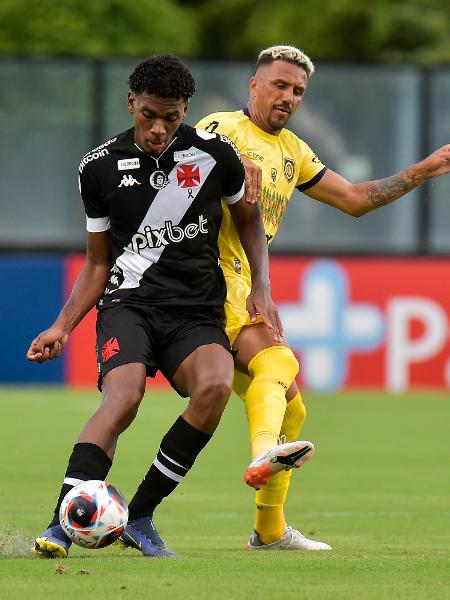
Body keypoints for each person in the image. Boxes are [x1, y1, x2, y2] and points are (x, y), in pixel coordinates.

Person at [26, 54, 284, 558]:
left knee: (213, 386)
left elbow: (250, 221)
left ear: (186, 109)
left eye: (172, 116)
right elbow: (98, 263)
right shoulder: (98, 168)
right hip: (130, 305)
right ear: (131, 104)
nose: (160, 128)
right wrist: (62, 326)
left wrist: (262, 286)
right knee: (122, 398)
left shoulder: (215, 154)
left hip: (194, 310)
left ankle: (139, 516)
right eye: (149, 115)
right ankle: (62, 523)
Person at [196, 44, 450, 551]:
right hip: (206, 278)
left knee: (293, 408)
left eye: (297, 91)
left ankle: (268, 532)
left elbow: (354, 199)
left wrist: (424, 170)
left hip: (246, 284)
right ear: (254, 84)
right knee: (277, 360)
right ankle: (265, 450)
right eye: (279, 85)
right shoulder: (218, 130)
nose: (288, 97)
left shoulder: (293, 152)